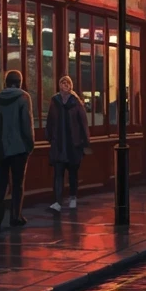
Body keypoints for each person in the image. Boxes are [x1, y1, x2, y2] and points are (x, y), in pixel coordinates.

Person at [0, 69, 35, 229]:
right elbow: (27, 124)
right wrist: (30, 144)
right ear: (19, 82)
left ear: (6, 82)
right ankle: (16, 216)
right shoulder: (23, 97)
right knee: (18, 183)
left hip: (0, 147)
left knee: (1, 184)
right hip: (19, 147)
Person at [46, 75, 90, 212]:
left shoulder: (76, 102)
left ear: (71, 85)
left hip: (73, 144)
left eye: (67, 83)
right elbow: (50, 121)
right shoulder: (55, 101)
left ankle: (72, 198)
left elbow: (83, 123)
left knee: (72, 174)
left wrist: (85, 142)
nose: (65, 85)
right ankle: (57, 201)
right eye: (62, 82)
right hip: (59, 144)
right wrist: (49, 137)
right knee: (58, 174)